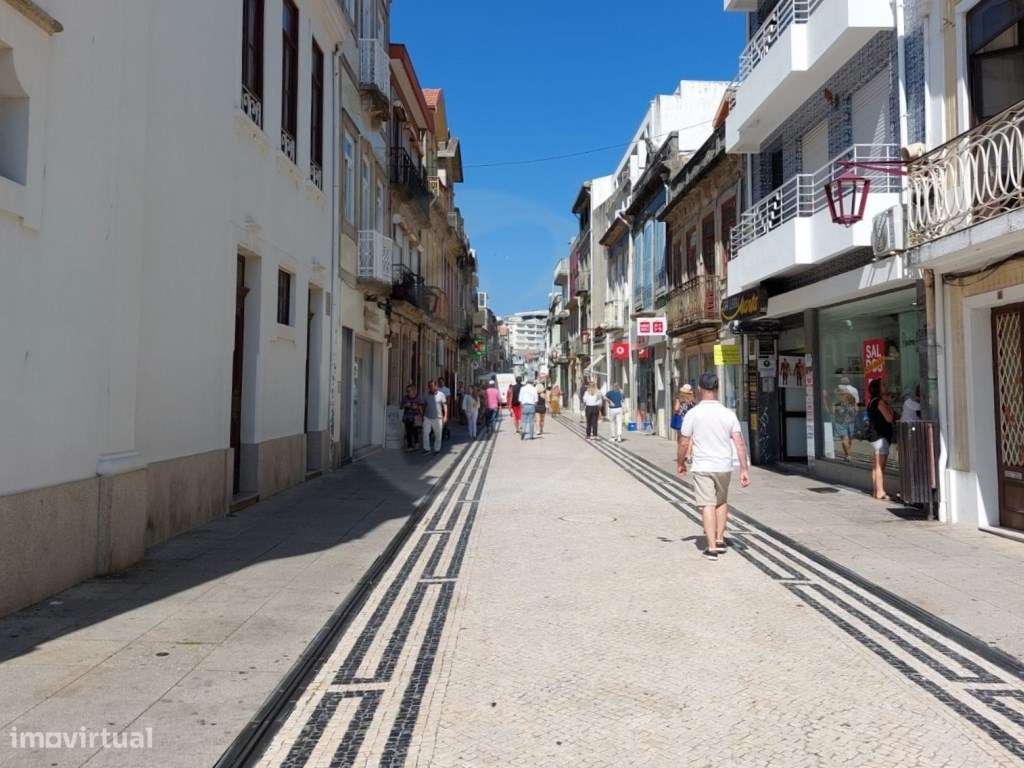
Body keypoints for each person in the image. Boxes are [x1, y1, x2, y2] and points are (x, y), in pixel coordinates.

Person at [677, 372, 751, 562]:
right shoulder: (728, 413)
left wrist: (680, 462)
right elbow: (739, 442)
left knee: (707, 504)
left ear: (700, 389)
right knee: (721, 501)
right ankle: (719, 538)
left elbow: (684, 442)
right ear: (717, 389)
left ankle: (711, 548)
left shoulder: (694, 413)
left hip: (702, 465)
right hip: (723, 465)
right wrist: (744, 469)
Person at [867, 378, 895, 500]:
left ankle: (875, 490)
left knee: (876, 465)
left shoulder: (871, 401)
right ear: (878, 389)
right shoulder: (879, 402)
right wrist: (890, 407)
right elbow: (889, 418)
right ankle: (880, 492)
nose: (885, 387)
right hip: (881, 436)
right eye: (883, 385)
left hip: (875, 436)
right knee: (880, 465)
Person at [421, 380, 448, 454]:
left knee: (438, 434)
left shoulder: (441, 394)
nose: (431, 388)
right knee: (425, 433)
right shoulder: (425, 395)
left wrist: (445, 416)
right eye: (429, 386)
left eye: (432, 386)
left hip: (438, 418)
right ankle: (427, 449)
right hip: (427, 417)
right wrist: (422, 415)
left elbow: (444, 405)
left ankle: (437, 449)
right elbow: (423, 405)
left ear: (436, 386)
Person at [400, 385, 422, 451]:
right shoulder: (405, 398)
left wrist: (416, 408)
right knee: (408, 432)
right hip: (407, 417)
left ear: (413, 391)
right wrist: (405, 405)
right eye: (407, 391)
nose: (408, 392)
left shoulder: (417, 398)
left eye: (409, 391)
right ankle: (410, 446)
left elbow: (420, 408)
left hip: (415, 417)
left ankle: (416, 443)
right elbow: (401, 406)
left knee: (415, 431)